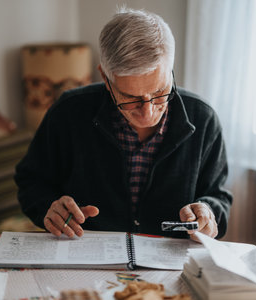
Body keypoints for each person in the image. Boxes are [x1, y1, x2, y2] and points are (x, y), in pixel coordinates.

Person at [14, 8, 232, 242]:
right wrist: (49, 207)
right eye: (131, 98)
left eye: (160, 92)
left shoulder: (203, 118)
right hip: (84, 253)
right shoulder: (67, 112)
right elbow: (31, 182)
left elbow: (218, 197)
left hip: (170, 262)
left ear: (170, 70)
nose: (148, 111)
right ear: (106, 80)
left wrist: (208, 212)